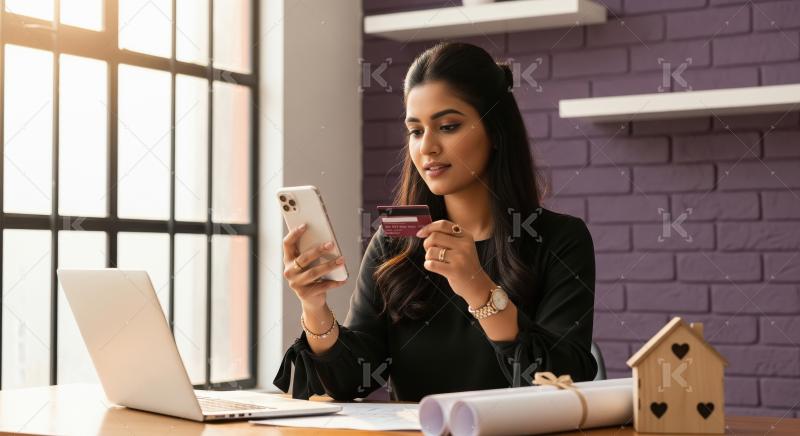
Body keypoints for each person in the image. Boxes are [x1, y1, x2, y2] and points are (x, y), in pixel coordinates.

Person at [273, 42, 597, 402]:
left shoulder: (560, 239)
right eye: (416, 131)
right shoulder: (396, 239)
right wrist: (315, 306)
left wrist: (478, 289)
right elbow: (353, 380)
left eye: (448, 126)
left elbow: (563, 381)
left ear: (495, 130)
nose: (427, 147)